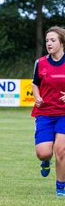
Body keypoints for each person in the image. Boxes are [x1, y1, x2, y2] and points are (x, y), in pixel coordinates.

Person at [31, 26, 65, 197]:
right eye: (47, 41)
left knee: (61, 150)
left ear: (62, 43)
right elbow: (35, 83)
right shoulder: (41, 63)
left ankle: (60, 187)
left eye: (53, 40)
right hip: (45, 112)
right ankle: (46, 161)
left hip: (64, 114)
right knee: (43, 152)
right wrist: (37, 96)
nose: (49, 44)